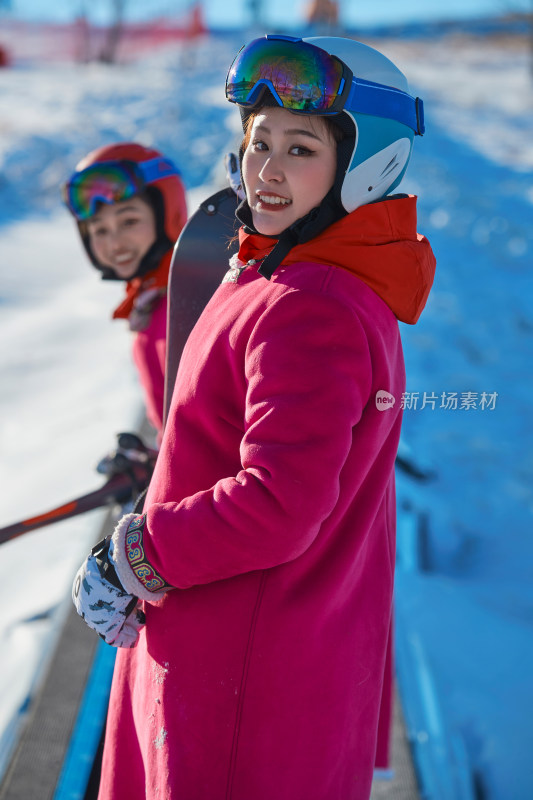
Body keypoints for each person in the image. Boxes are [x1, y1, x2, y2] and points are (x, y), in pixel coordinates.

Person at [72, 35, 436, 800]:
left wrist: (132, 555)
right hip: (250, 660)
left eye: (299, 148)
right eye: (256, 141)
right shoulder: (293, 278)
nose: (264, 169)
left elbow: (277, 504)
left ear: (366, 165)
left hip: (234, 681)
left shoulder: (311, 309)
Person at [63, 142, 188, 440]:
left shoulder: (188, 303)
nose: (115, 243)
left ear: (166, 213)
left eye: (129, 221)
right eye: (99, 230)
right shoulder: (153, 301)